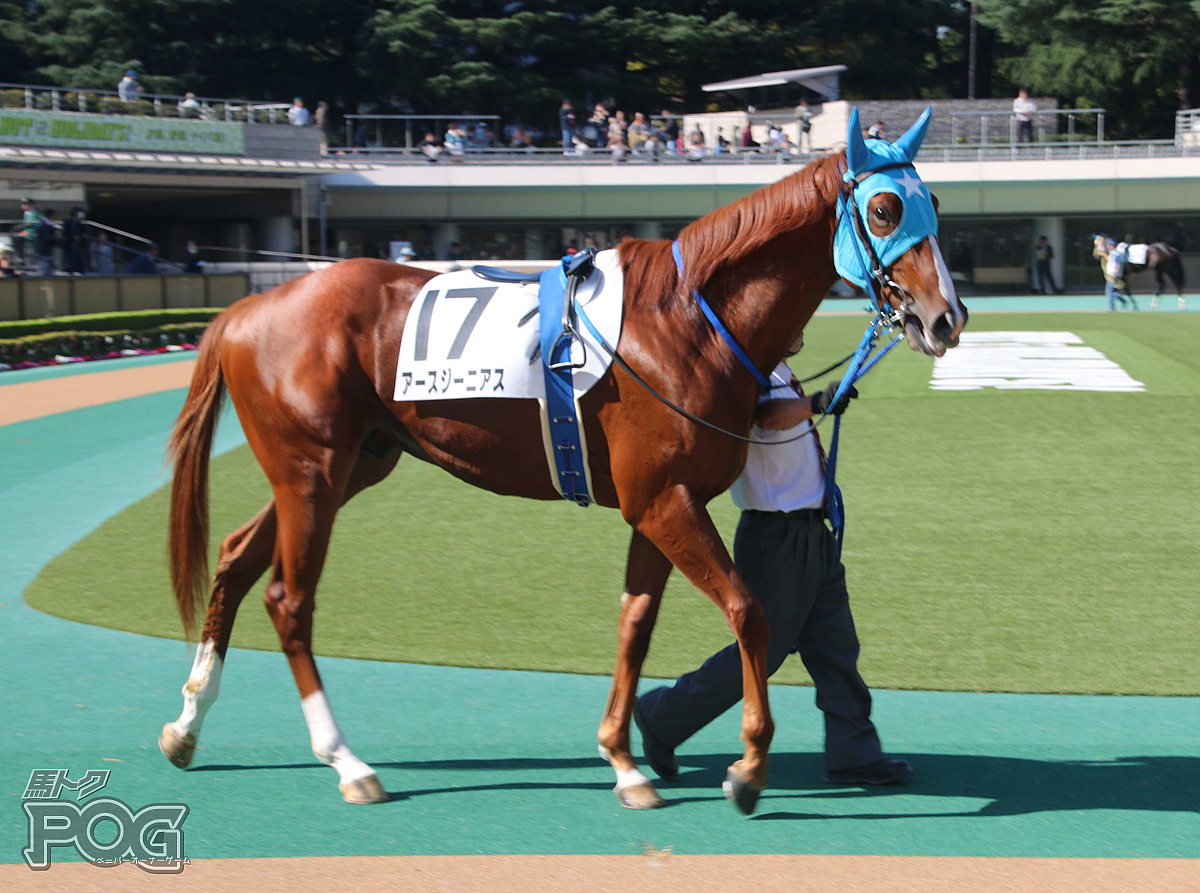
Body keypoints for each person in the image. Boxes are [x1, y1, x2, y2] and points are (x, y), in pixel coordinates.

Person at [634, 363, 912, 790]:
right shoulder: (750, 367)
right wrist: (817, 403)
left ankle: (854, 755)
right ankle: (662, 717)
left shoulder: (777, 368)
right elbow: (765, 415)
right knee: (763, 653)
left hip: (811, 532)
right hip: (775, 537)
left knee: (836, 646)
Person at [1095, 235, 1132, 311]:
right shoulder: (1112, 253)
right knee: (1109, 292)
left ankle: (1112, 307)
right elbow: (1107, 257)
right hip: (1110, 274)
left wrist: (1115, 274)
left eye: (1108, 245)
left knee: (1110, 292)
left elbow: (1117, 265)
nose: (1107, 246)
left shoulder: (1116, 254)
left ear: (1112, 246)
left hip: (1112, 275)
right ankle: (1122, 300)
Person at [63, 207, 88, 275]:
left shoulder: (80, 223)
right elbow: (65, 233)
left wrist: (81, 237)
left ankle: (82, 271)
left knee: (81, 259)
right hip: (70, 245)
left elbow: (84, 233)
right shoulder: (67, 222)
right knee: (71, 260)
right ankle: (71, 271)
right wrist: (72, 236)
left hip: (79, 245)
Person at [35, 208, 60, 277]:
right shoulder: (45, 226)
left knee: (47, 268)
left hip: (45, 250)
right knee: (45, 270)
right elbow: (46, 238)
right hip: (45, 250)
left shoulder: (43, 224)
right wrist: (56, 236)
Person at [19, 197, 39, 267]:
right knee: (27, 255)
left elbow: (35, 226)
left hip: (33, 239)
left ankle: (33, 270)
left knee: (32, 255)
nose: (23, 205)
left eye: (26, 204)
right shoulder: (26, 213)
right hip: (27, 239)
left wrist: (28, 233)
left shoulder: (34, 213)